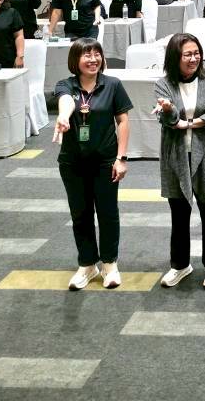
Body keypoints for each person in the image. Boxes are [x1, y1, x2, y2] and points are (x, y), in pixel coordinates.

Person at [52, 38, 132, 290]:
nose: (93, 59)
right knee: (80, 214)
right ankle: (87, 264)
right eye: (87, 55)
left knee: (108, 213)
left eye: (97, 54)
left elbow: (123, 121)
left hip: (105, 161)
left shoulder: (113, 85)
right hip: (72, 162)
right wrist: (64, 116)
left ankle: (109, 264)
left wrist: (121, 158)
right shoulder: (66, 84)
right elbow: (65, 101)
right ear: (75, 60)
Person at [155, 33, 205, 289]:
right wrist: (169, 111)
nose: (194, 58)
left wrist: (189, 123)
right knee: (179, 213)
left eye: (197, 53)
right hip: (175, 155)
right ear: (175, 57)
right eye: (188, 54)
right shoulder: (163, 84)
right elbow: (167, 120)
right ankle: (180, 265)